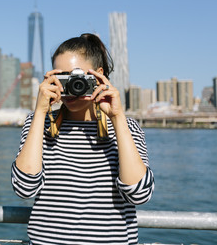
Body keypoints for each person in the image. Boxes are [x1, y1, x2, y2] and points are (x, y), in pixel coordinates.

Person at [11, 33, 154, 245]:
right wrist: (40, 112)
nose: (72, 87)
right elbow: (24, 189)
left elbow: (139, 195)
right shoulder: (38, 124)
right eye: (64, 78)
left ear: (98, 75)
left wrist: (117, 117)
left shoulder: (126, 127)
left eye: (77, 77)